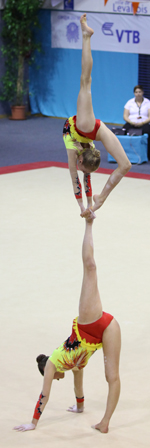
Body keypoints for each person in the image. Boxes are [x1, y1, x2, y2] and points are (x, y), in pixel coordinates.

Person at [14, 217, 121, 434]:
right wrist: (79, 407)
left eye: (52, 378)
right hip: (108, 331)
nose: (55, 379)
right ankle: (105, 422)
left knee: (90, 268)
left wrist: (33, 423)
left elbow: (44, 394)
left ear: (48, 372)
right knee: (112, 377)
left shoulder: (53, 363)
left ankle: (89, 223)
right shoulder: (73, 365)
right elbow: (78, 385)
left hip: (88, 324)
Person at [63, 14, 131, 219]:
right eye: (81, 165)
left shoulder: (80, 152)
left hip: (91, 129)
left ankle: (102, 198)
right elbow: (78, 177)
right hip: (85, 127)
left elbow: (81, 176)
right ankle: (86, 36)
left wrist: (88, 206)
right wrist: (84, 206)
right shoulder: (78, 152)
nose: (78, 167)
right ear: (81, 159)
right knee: (85, 80)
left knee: (125, 164)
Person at [123, 85, 150, 160]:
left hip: (143, 123)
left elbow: (149, 117)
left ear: (142, 92)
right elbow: (125, 116)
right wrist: (131, 122)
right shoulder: (129, 102)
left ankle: (148, 155)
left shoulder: (148, 102)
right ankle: (123, 154)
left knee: (149, 132)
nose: (138, 94)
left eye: (139, 92)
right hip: (132, 123)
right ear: (134, 93)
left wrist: (142, 123)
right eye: (136, 92)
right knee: (123, 131)